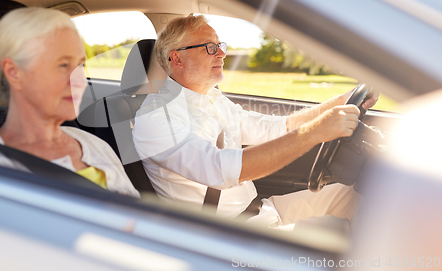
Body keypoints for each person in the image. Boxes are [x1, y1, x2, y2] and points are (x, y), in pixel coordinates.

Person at [132, 14, 377, 226]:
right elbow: (218, 168)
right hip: (224, 232)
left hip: (260, 212)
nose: (221, 54)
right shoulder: (155, 116)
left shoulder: (213, 99)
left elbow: (277, 127)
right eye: (209, 47)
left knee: (362, 197)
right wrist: (315, 132)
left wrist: (345, 99)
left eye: (220, 46)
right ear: (177, 59)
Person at [0, 7, 139, 198]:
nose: (79, 81)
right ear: (14, 72)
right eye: (62, 65)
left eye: (80, 66)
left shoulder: (92, 144)